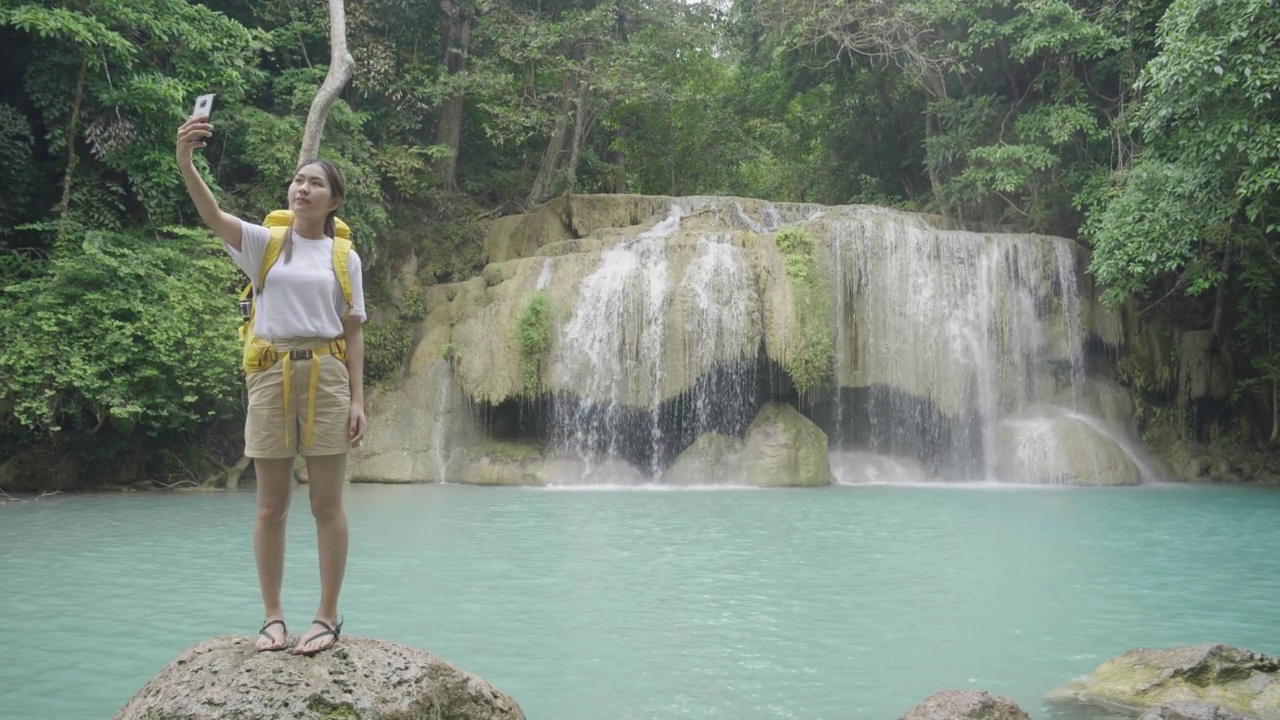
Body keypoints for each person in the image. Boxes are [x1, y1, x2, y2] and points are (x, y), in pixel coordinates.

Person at [176, 114, 367, 656]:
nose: (301, 188)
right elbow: (212, 215)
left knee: (327, 506)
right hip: (269, 373)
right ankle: (272, 618)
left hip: (327, 375)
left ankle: (327, 617)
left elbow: (353, 332)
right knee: (269, 506)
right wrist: (186, 161)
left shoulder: (343, 256)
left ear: (334, 201)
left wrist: (358, 400)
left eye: (315, 183)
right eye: (298, 180)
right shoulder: (264, 243)